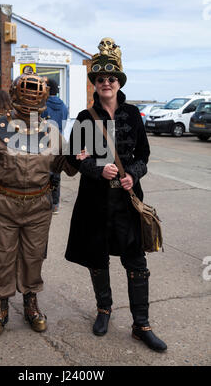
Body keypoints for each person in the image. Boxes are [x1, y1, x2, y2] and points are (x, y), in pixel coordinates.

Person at [0, 72, 77, 337]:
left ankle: (30, 301)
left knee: (33, 256)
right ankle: (1, 305)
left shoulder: (52, 131)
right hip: (3, 205)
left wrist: (79, 157)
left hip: (39, 206)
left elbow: (64, 166)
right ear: (16, 95)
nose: (30, 100)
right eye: (26, 94)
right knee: (2, 257)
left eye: (36, 95)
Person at [65, 38, 167, 352]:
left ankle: (142, 324)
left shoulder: (133, 115)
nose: (106, 83)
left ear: (118, 82)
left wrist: (131, 174)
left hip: (126, 200)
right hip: (95, 202)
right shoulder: (85, 118)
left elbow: (144, 156)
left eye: (111, 79)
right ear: (94, 84)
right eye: (100, 79)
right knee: (97, 258)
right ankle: (104, 310)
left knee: (136, 260)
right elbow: (72, 159)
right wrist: (98, 170)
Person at [42, 78, 68, 214]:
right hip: (58, 143)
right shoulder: (63, 106)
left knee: (44, 174)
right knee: (56, 174)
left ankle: (44, 204)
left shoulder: (43, 105)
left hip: (44, 143)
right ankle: (55, 205)